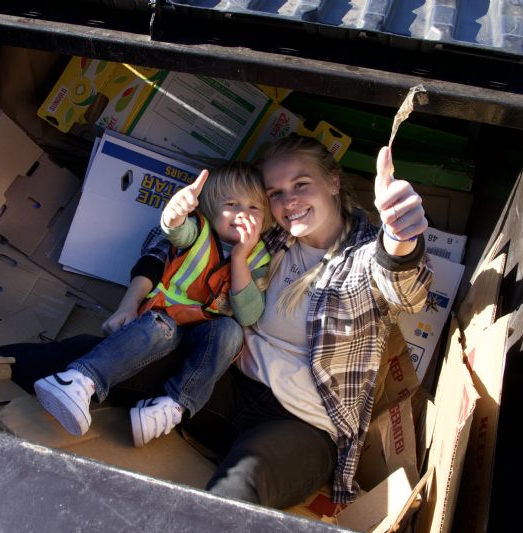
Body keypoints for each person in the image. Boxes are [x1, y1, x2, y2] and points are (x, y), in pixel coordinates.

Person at [148, 135, 434, 507]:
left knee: (238, 487)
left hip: (300, 427)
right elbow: (184, 240)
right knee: (104, 357)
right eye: (276, 193)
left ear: (333, 182)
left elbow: (405, 289)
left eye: (301, 184)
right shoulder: (266, 235)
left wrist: (399, 237)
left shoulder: (365, 254)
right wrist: (173, 222)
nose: (289, 201)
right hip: (219, 385)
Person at [33, 161, 271, 447]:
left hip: (205, 337)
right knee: (158, 328)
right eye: (231, 204)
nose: (243, 214)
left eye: (254, 208)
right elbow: (175, 230)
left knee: (231, 332)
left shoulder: (259, 259)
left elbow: (248, 315)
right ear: (211, 208)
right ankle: (78, 380)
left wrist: (240, 258)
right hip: (165, 319)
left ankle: (169, 407)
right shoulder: (199, 230)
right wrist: (176, 211)